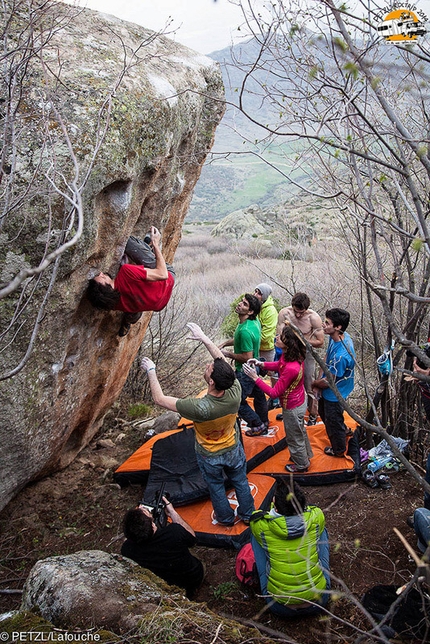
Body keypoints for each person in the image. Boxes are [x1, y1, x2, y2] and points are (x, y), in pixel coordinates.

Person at [140, 323, 255, 527]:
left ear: (211, 382)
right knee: (240, 481)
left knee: (216, 486)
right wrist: (204, 337)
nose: (208, 366)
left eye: (208, 368)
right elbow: (221, 360)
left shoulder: (199, 407)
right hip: (233, 447)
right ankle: (247, 515)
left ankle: (226, 518)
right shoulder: (234, 387)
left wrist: (151, 370)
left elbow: (159, 399)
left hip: (209, 454)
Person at [250, 480, 330, 617]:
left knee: (257, 537)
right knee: (320, 530)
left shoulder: (260, 524)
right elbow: (313, 510)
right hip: (319, 601)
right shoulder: (316, 516)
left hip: (279, 606)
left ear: (276, 506)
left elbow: (254, 517)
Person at [243, 325, 313, 472]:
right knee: (299, 431)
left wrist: (255, 378)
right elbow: (279, 365)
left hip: (292, 407)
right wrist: (262, 364)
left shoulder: (291, 368)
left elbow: (274, 393)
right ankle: (305, 455)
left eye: (280, 337)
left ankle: (301, 464)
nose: (276, 337)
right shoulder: (291, 356)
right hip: (299, 401)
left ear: (288, 344)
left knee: (294, 436)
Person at [86, 226, 175, 337]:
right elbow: (163, 274)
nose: (101, 274)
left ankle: (129, 320)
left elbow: (125, 287)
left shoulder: (112, 303)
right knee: (127, 242)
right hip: (167, 281)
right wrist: (156, 244)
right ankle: (149, 247)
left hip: (157, 305)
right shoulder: (126, 272)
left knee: (132, 306)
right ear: (106, 288)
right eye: (101, 277)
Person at [121, 498, 204, 598]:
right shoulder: (174, 533)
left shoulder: (127, 550)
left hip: (164, 586)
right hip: (193, 578)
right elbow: (192, 539)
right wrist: (172, 512)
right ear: (153, 525)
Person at [219, 294, 269, 436]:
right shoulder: (253, 323)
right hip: (256, 366)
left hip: (246, 371)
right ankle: (264, 421)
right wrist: (225, 343)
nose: (240, 304)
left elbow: (247, 357)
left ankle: (257, 424)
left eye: (245, 304)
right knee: (259, 395)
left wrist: (228, 354)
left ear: (250, 312)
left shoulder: (245, 331)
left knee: (236, 401)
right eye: (242, 301)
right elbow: (238, 339)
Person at [312, 308, 355, 458]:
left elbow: (329, 381)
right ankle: (344, 430)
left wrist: (315, 384)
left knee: (332, 420)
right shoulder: (337, 337)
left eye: (327, 323)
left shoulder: (342, 355)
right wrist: (318, 380)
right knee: (323, 412)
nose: (323, 325)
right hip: (330, 385)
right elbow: (326, 359)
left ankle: (338, 449)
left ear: (338, 327)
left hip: (336, 392)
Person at [277, 293, 324, 424]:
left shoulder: (313, 318)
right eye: (296, 311)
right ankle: (287, 410)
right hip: (289, 352)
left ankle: (313, 414)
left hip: (306, 353)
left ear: (306, 309)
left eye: (301, 313)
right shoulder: (284, 313)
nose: (298, 315)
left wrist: (300, 339)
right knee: (287, 382)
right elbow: (279, 335)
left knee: (309, 383)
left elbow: (320, 342)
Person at [253, 283, 278, 361]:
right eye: (255, 291)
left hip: (266, 349)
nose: (255, 295)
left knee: (268, 372)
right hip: (254, 347)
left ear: (264, 296)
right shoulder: (255, 306)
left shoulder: (271, 311)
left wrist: (249, 339)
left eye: (259, 293)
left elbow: (266, 336)